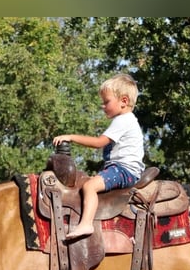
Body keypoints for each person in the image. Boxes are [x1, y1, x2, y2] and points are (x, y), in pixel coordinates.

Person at [53, 73, 145, 239]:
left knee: (89, 186)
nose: (103, 106)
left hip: (124, 170)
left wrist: (71, 137)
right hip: (121, 169)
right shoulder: (127, 120)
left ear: (124, 101)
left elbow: (98, 142)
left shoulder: (123, 120)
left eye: (107, 101)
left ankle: (86, 224)